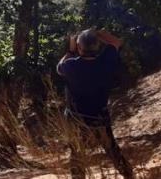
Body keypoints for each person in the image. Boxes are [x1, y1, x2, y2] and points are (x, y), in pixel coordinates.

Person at [57, 28, 134, 179]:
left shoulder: (71, 66)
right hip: (100, 116)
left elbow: (59, 67)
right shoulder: (106, 60)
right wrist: (98, 33)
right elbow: (116, 42)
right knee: (113, 151)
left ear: (80, 47)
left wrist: (71, 50)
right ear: (97, 46)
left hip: (76, 119)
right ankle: (129, 176)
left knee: (77, 154)